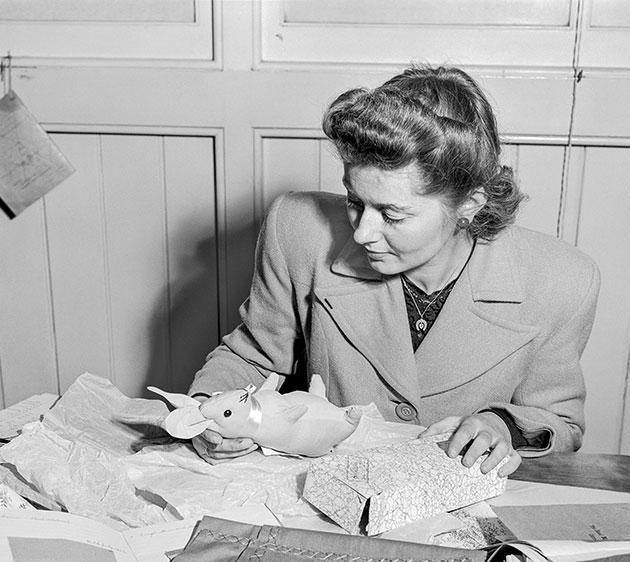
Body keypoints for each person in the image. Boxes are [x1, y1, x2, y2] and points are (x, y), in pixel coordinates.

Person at [188, 65, 600, 475]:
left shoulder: (562, 280)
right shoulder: (297, 229)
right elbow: (253, 359)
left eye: (392, 214)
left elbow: (558, 423)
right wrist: (206, 415)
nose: (363, 232)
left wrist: (503, 425)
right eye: (355, 200)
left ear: (469, 204)